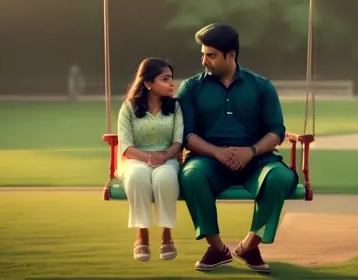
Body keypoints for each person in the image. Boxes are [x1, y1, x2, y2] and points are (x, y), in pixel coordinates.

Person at [176, 23, 297, 273]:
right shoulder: (191, 87)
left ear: (231, 55)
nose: (204, 60)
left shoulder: (261, 86)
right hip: (208, 159)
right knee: (191, 175)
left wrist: (250, 151)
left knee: (280, 177)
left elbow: (277, 131)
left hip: (256, 159)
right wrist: (217, 152)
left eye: (210, 55)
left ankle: (250, 245)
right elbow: (186, 135)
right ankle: (217, 248)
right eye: (203, 54)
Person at [115, 57, 183, 262]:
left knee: (165, 178)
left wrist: (163, 157)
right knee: (137, 176)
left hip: (167, 158)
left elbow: (178, 142)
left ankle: (167, 234)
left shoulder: (176, 107)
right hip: (136, 159)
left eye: (172, 78)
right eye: (165, 79)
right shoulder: (129, 108)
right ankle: (142, 234)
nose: (172, 84)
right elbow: (126, 146)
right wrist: (148, 158)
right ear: (148, 83)